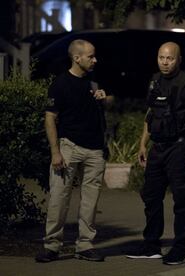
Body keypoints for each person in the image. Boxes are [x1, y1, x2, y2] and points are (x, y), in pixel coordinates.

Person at [126, 42, 185, 265]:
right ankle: (151, 245)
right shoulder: (155, 81)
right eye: (161, 58)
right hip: (158, 147)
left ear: (179, 59)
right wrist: (143, 144)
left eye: (170, 58)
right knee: (151, 196)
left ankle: (180, 248)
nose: (165, 62)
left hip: (181, 147)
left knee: (182, 199)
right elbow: (151, 113)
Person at [35, 39, 111, 263]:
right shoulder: (60, 84)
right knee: (59, 198)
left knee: (90, 201)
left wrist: (103, 99)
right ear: (77, 58)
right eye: (90, 56)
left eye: (94, 56)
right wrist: (55, 151)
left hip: (95, 150)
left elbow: (97, 113)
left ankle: (85, 246)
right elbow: (50, 118)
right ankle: (52, 246)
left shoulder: (93, 83)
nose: (95, 60)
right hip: (69, 147)